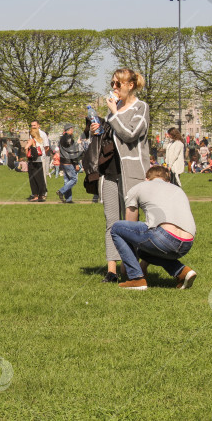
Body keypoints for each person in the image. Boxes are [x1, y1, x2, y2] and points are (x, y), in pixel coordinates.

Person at [89, 68, 150, 283]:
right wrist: (98, 129)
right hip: (110, 171)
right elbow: (112, 136)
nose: (114, 87)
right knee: (111, 221)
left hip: (131, 171)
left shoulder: (141, 108)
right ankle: (112, 270)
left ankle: (132, 268)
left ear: (130, 85)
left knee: (130, 221)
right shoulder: (113, 110)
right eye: (112, 83)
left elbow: (131, 134)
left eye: (118, 84)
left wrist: (114, 113)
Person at [110, 166, 198, 290]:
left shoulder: (139, 187)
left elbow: (129, 224)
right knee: (144, 249)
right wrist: (143, 263)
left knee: (117, 228)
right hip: (187, 243)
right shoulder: (178, 190)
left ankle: (136, 279)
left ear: (147, 179)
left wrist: (127, 263)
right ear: (168, 180)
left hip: (164, 237)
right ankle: (182, 272)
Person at [57, 124, 82, 203]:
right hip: (69, 162)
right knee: (74, 179)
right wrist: (76, 163)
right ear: (69, 130)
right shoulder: (70, 139)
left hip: (63, 162)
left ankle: (68, 199)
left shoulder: (61, 139)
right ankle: (61, 191)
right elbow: (72, 152)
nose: (73, 130)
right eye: (72, 129)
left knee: (67, 180)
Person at [24, 123, 48, 202]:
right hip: (39, 160)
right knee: (40, 179)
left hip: (32, 162)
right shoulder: (40, 140)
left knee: (33, 179)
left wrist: (27, 153)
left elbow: (26, 147)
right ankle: (42, 195)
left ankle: (35, 195)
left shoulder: (32, 140)